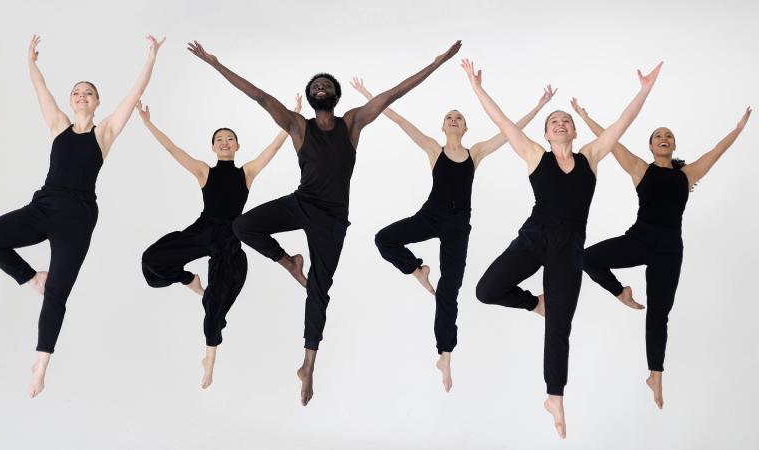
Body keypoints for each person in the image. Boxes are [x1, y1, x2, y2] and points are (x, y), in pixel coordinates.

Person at [187, 39, 462, 405]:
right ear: (310, 95)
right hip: (301, 203)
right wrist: (216, 63)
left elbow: (393, 94)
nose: (321, 87)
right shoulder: (299, 127)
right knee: (242, 226)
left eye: (327, 85)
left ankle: (308, 365)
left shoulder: (352, 123)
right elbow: (260, 96)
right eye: (316, 85)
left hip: (331, 221)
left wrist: (438, 61)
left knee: (318, 290)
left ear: (335, 95)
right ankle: (289, 262)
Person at [462, 58, 662, 438]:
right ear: (546, 132)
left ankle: (555, 396)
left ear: (572, 130)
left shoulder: (591, 156)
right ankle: (534, 303)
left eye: (565, 120)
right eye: (554, 121)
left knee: (559, 327)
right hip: (534, 238)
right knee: (486, 290)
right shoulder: (535, 155)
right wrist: (476, 87)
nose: (560, 123)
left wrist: (644, 89)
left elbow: (622, 123)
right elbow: (502, 122)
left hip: (569, 250)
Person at [0, 35, 164, 397]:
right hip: (43, 207)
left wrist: (150, 59)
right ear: (70, 99)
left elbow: (131, 95)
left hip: (77, 219)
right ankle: (32, 278)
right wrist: (31, 61)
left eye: (88, 92)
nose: (81, 96)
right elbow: (40, 89)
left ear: (97, 101)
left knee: (58, 293)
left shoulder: (104, 132)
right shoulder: (58, 125)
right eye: (76, 91)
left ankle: (40, 365)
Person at [350, 77, 556, 392]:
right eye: (449, 117)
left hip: (458, 227)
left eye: (459, 117)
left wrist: (539, 106)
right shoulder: (434, 149)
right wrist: (369, 95)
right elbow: (400, 120)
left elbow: (508, 132)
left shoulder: (475, 153)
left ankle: (445, 355)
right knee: (384, 239)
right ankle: (416, 269)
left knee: (449, 290)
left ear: (465, 128)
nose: (453, 119)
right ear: (443, 127)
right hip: (430, 216)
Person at [575, 99, 752, 409]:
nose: (664, 138)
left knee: (659, 315)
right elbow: (611, 140)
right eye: (658, 135)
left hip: (669, 250)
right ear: (651, 145)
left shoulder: (687, 175)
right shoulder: (639, 168)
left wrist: (737, 129)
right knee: (586, 258)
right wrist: (585, 116)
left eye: (668, 135)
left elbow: (716, 152)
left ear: (673, 145)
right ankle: (621, 292)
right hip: (640, 239)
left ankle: (655, 375)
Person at [137, 95, 302, 389]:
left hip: (230, 237)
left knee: (215, 304)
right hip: (204, 229)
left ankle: (209, 360)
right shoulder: (204, 171)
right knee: (152, 260)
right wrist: (149, 124)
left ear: (237, 146)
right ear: (213, 147)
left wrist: (292, 117)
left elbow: (275, 147)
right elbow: (172, 149)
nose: (224, 142)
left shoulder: (247, 173)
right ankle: (189, 278)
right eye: (219, 139)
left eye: (230, 139)